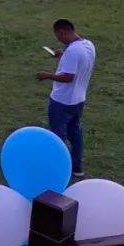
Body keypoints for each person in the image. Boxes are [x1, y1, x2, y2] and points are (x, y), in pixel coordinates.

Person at [38, 19, 96, 178]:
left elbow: (68, 77)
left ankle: (55, 168)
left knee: (57, 135)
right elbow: (79, 64)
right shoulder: (88, 45)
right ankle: (77, 168)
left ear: (62, 32)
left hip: (62, 101)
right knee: (75, 133)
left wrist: (47, 75)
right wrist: (62, 57)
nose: (59, 39)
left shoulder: (72, 51)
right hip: (78, 99)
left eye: (58, 36)